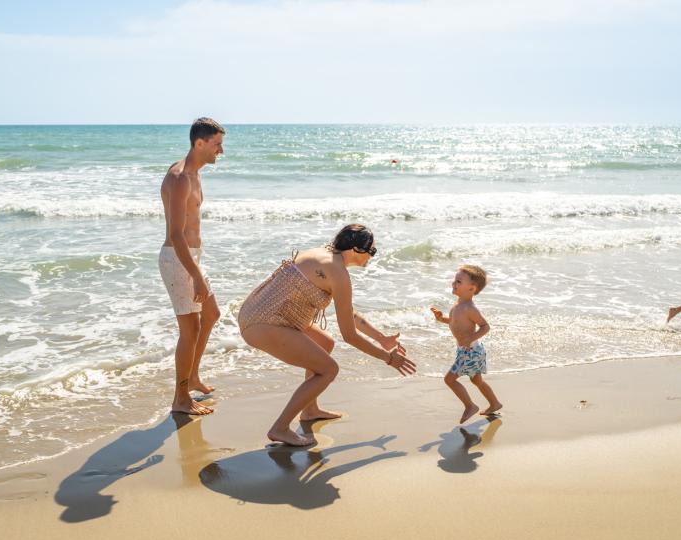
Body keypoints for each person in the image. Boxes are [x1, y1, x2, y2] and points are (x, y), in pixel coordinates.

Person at [238, 224, 417, 446]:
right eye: (372, 251)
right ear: (356, 250)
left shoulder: (325, 255)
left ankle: (310, 410)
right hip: (265, 323)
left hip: (257, 313)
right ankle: (280, 428)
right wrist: (388, 358)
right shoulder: (338, 273)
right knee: (329, 369)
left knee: (324, 342)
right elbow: (349, 336)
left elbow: (347, 313)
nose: (372, 256)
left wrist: (381, 338)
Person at [159, 117, 225, 416]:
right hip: (177, 259)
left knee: (211, 314)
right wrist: (196, 276)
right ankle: (181, 398)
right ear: (200, 143)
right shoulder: (179, 177)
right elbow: (175, 234)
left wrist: (197, 270)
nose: (220, 152)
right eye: (216, 144)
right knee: (190, 329)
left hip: (192, 257)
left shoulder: (196, 174)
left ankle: (193, 376)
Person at [430, 265, 502, 423]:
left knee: (449, 380)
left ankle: (470, 406)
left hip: (470, 351)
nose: (453, 283)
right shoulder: (457, 306)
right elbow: (455, 322)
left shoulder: (470, 308)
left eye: (458, 281)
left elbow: (485, 326)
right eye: (454, 280)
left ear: (471, 288)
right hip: (472, 351)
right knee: (477, 380)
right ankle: (495, 403)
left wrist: (470, 338)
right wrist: (441, 318)